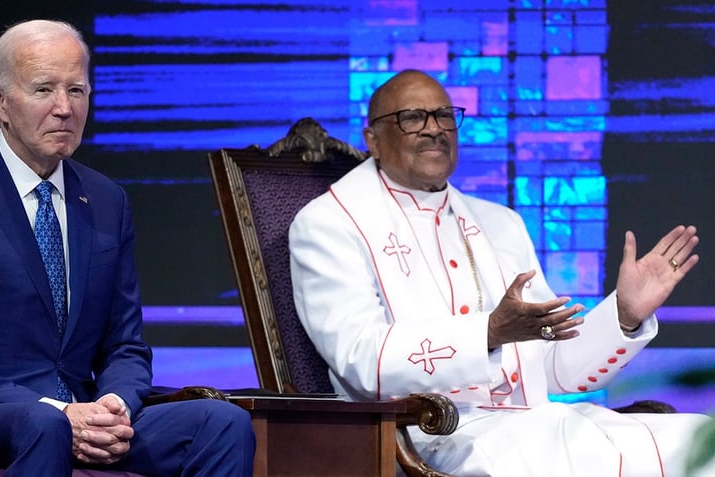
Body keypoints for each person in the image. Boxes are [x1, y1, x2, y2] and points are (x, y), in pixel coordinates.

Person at [288, 69, 710, 476]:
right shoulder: (331, 224)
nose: (434, 128)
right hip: (433, 435)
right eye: (412, 117)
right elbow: (363, 361)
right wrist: (488, 332)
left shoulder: (500, 223)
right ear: (372, 140)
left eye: (445, 116)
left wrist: (624, 314)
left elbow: (555, 367)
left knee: (697, 440)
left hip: (532, 425)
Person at [0, 19, 254, 476]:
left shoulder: (105, 200)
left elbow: (125, 345)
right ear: (0, 100)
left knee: (221, 422)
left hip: (83, 414)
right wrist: (55, 411)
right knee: (45, 425)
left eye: (76, 91)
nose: (64, 108)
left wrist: (113, 406)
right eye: (44, 90)